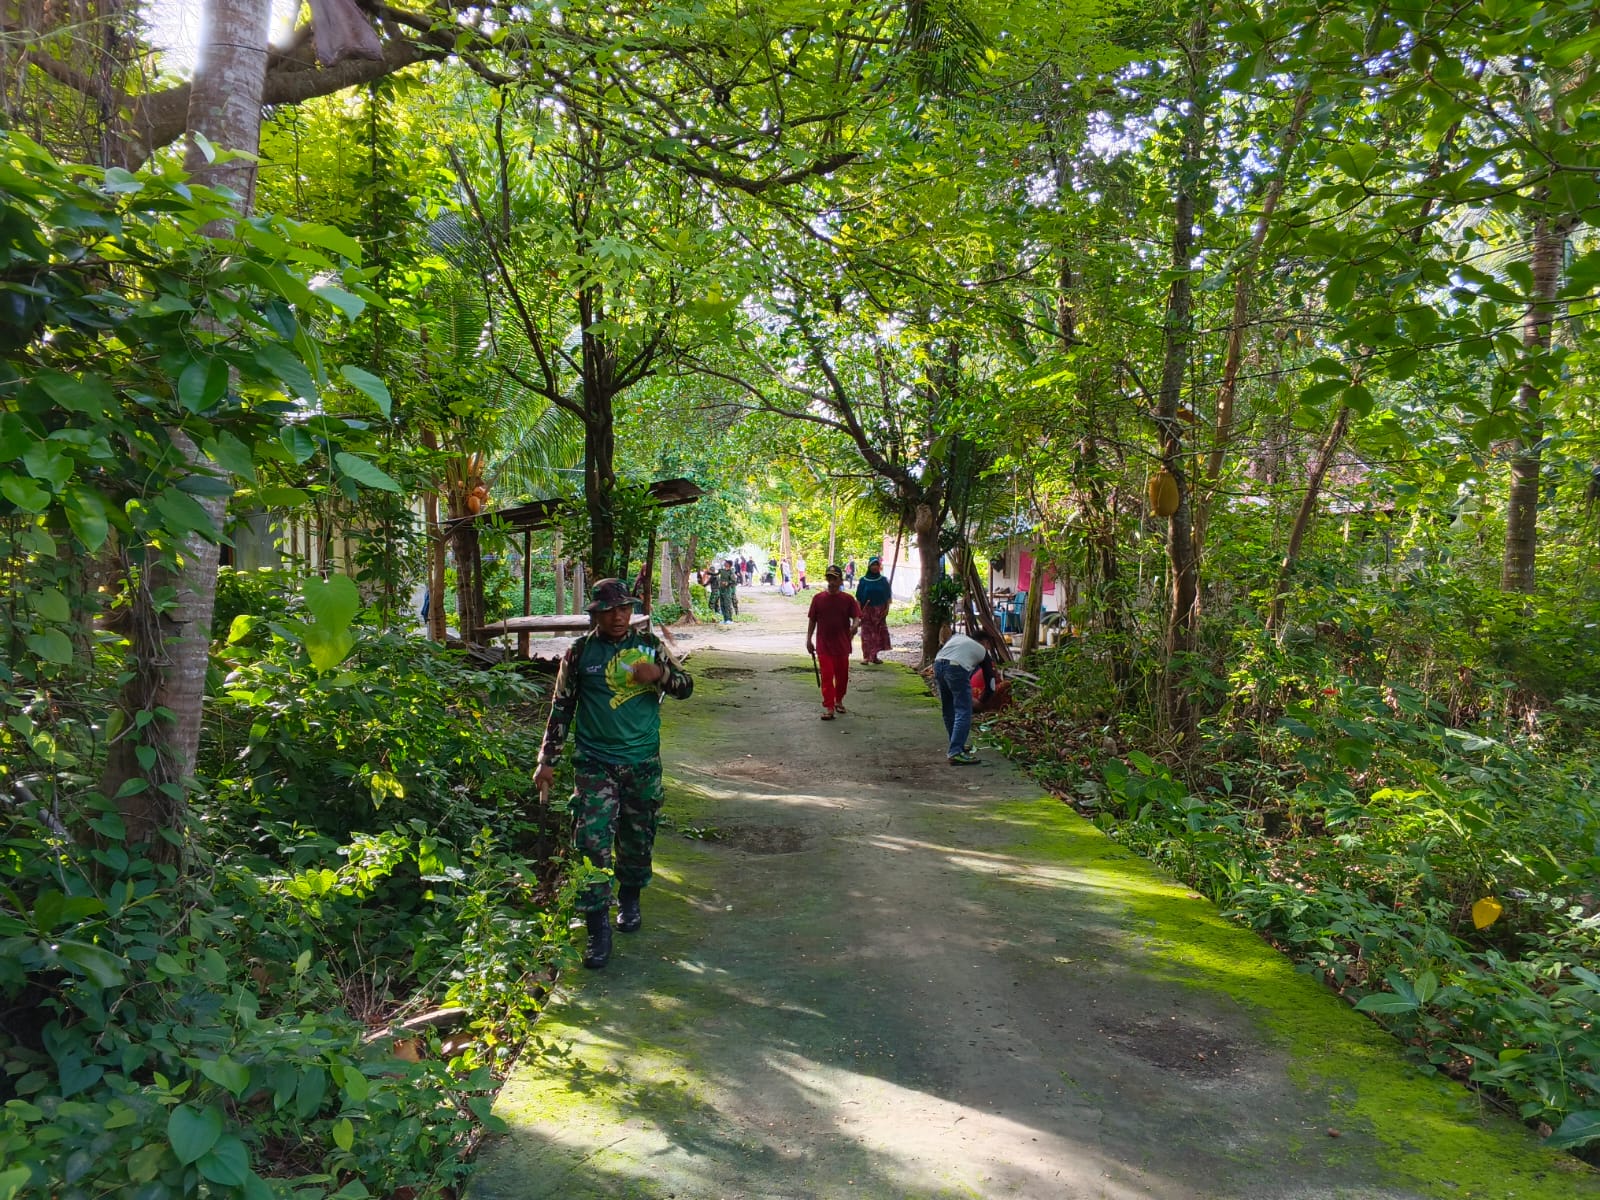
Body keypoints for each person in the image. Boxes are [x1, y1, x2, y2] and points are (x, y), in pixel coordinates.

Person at [534, 579, 694, 970]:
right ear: (596, 614)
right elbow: (562, 706)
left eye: (624, 609)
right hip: (595, 762)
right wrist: (547, 759)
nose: (619, 617)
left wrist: (659, 675)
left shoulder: (650, 646)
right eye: (609, 611)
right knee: (591, 842)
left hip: (642, 761)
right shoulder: (579, 653)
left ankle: (630, 900)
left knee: (637, 837)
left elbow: (685, 687)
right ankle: (597, 928)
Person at [932, 629, 1000, 765]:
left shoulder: (958, 638)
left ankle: (956, 743)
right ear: (985, 642)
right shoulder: (982, 650)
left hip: (938, 664)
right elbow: (991, 682)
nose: (988, 648)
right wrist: (983, 702)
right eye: (988, 645)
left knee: (948, 708)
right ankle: (955, 752)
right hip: (956, 668)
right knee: (963, 711)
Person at [805, 564, 861, 721]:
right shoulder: (818, 599)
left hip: (842, 645)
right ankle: (829, 707)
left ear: (841, 580)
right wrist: (808, 639)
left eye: (834, 579)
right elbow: (812, 620)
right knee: (827, 676)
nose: (831, 582)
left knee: (842, 677)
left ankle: (839, 700)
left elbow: (856, 617)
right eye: (829, 578)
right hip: (824, 645)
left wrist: (855, 625)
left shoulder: (848, 599)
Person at [855, 556, 893, 664]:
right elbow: (858, 597)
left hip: (879, 610)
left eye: (877, 565)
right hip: (866, 610)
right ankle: (866, 657)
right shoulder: (863, 581)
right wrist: (859, 611)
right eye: (873, 565)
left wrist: (887, 609)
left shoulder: (883, 580)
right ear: (869, 566)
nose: (875, 567)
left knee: (877, 633)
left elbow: (888, 596)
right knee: (866, 633)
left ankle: (874, 656)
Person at [715, 559, 737, 623]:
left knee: (727, 604)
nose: (724, 563)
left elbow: (734, 581)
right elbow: (715, 574)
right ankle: (725, 619)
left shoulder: (731, 572)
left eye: (726, 563)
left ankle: (729, 619)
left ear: (729, 565)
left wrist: (727, 583)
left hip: (727, 590)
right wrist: (708, 572)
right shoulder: (722, 570)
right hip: (721, 589)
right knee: (722, 604)